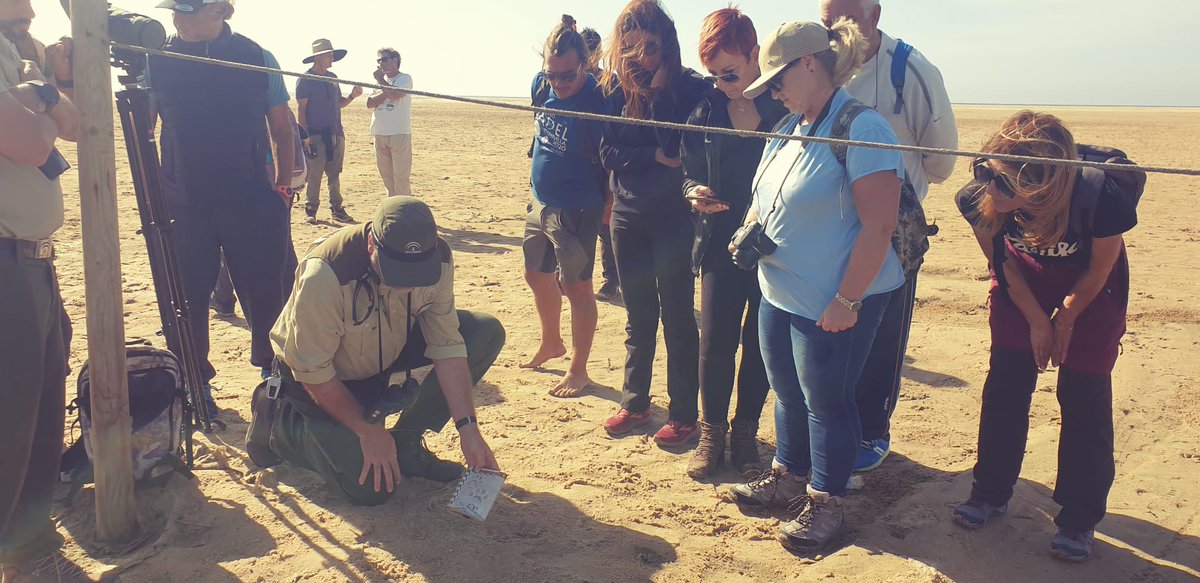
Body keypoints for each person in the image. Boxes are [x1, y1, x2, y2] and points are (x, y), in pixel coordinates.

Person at [724, 19, 905, 552]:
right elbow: (763, 197)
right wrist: (747, 229)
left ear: (808, 64)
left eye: (777, 80)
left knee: (827, 400)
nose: (773, 92)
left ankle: (827, 502)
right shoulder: (788, 127)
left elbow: (880, 226)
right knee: (786, 390)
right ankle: (787, 476)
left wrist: (848, 299)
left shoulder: (863, 128)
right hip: (779, 292)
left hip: (835, 300)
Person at [950, 111, 1136, 563]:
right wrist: (1037, 321)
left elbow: (1100, 268)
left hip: (1091, 289)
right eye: (984, 172)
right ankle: (990, 491)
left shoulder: (1101, 197)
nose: (989, 189)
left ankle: (1078, 518)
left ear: (1043, 185)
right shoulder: (978, 198)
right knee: (1006, 384)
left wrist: (1065, 320)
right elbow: (1002, 265)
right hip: (1023, 281)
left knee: (1084, 395)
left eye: (1004, 183)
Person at [246, 197, 506, 505]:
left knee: (482, 331)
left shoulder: (439, 258)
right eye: (397, 271)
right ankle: (282, 428)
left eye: (418, 273)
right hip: (317, 380)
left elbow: (447, 346)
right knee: (373, 489)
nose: (408, 285)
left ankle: (405, 441)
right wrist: (367, 431)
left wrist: (468, 428)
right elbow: (313, 372)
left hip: (382, 357)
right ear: (371, 243)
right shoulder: (325, 274)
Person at [819, 0, 959, 473]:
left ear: (875, 14)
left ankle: (871, 434)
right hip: (828, 229)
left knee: (882, 338)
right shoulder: (817, 63)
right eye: (827, 21)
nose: (836, 30)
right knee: (833, 333)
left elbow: (942, 162)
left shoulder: (911, 71)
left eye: (847, 19)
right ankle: (830, 432)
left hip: (892, 232)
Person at [148, 0, 297, 417]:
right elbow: (144, 128)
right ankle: (195, 383)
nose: (177, 18)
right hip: (183, 201)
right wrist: (158, 191)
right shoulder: (156, 58)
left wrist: (284, 185)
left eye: (187, 10)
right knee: (186, 295)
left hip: (250, 196)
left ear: (218, 10)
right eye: (173, 10)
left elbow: (282, 128)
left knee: (266, 289)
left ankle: (272, 375)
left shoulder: (257, 57)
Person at [0, 1, 88, 579]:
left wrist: (46, 90)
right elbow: (32, 146)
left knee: (39, 405)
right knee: (11, 417)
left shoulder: (17, 53)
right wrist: (43, 100)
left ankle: (27, 547)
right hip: (6, 262)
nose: (30, 12)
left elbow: (75, 126)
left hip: (30, 258)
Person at [680, 7, 786, 478]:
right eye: (714, 75)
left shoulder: (784, 108)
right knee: (715, 342)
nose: (722, 84)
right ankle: (711, 435)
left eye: (730, 73)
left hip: (773, 246)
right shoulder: (706, 109)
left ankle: (745, 434)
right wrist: (693, 191)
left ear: (754, 54)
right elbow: (687, 171)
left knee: (760, 344)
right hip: (719, 241)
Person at [597, 0, 708, 447]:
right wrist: (651, 157)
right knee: (638, 315)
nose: (640, 57)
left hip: (674, 218)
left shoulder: (690, 88)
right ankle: (635, 402)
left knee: (678, 316)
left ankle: (684, 416)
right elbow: (607, 152)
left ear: (668, 43)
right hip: (626, 216)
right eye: (630, 48)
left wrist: (661, 96)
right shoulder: (612, 88)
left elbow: (680, 150)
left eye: (650, 47)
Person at [519, 15, 612, 398]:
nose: (558, 82)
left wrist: (608, 204)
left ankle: (578, 369)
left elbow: (610, 159)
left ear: (586, 64)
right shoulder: (541, 84)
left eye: (567, 75)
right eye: (552, 74)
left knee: (577, 287)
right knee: (536, 275)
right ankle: (551, 343)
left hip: (577, 207)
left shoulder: (599, 98)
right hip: (539, 199)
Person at [297, 38, 361, 223]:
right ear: (318, 57)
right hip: (316, 134)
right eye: (329, 55)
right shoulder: (305, 79)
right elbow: (302, 109)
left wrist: (352, 96)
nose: (332, 58)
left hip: (336, 133)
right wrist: (305, 136)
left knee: (334, 173)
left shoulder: (333, 78)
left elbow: (339, 103)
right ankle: (311, 210)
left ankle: (337, 209)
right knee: (314, 174)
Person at [580, 26, 621, 304]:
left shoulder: (610, 82)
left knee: (606, 224)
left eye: (591, 52)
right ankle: (572, 275)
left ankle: (611, 280)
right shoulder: (572, 81)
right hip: (580, 161)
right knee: (578, 222)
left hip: (605, 161)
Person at [367, 47, 413, 198]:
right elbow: (370, 103)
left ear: (395, 60)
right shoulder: (380, 82)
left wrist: (382, 83)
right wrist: (386, 89)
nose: (381, 64)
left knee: (401, 176)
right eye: (379, 60)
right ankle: (392, 205)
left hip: (398, 132)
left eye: (384, 59)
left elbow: (395, 95)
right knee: (387, 177)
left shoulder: (405, 78)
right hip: (380, 132)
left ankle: (404, 207)